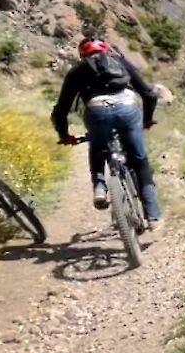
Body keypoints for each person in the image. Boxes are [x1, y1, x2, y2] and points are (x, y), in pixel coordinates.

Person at [51, 37, 162, 228]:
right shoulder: (119, 61)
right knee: (139, 160)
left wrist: (64, 135)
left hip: (97, 111)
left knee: (97, 146)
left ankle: (100, 187)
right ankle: (153, 216)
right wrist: (147, 119)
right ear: (105, 50)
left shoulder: (77, 71)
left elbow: (60, 110)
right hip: (128, 108)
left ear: (82, 54)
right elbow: (149, 94)